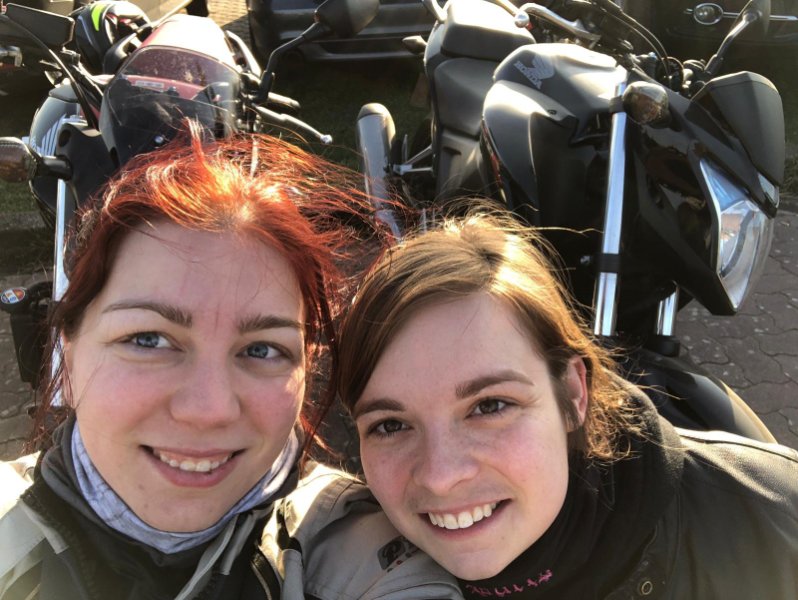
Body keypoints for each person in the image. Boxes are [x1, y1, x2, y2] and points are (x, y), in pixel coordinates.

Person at [0, 126, 460, 599]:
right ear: (68, 353)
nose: (210, 410)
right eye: (149, 340)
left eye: (262, 350)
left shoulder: (372, 565)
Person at [337, 210, 798, 599]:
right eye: (390, 425)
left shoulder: (778, 525)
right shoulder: (344, 569)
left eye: (490, 405)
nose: (440, 477)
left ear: (574, 394)